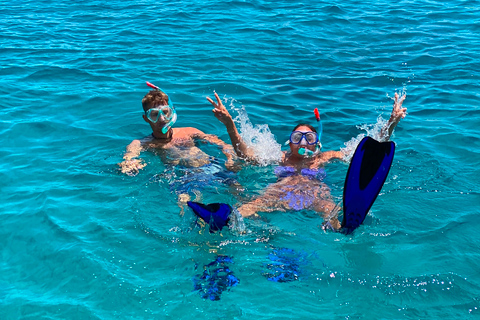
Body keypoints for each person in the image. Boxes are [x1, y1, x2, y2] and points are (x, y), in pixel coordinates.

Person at [190, 91, 407, 231]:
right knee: (250, 206)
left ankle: (343, 228)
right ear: (289, 142)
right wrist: (230, 124)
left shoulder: (325, 156)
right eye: (297, 137)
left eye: (309, 138)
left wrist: (391, 123)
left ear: (317, 143)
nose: (303, 142)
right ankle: (223, 221)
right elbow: (245, 154)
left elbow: (366, 153)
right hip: (280, 194)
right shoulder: (278, 156)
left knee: (330, 211)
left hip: (315, 195)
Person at [118, 82, 238, 206]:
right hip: (185, 178)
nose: (161, 118)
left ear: (172, 112)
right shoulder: (143, 143)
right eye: (154, 114)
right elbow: (129, 156)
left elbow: (222, 144)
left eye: (165, 112)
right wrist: (129, 162)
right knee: (184, 202)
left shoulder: (189, 132)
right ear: (146, 118)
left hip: (212, 167)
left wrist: (230, 158)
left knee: (237, 188)